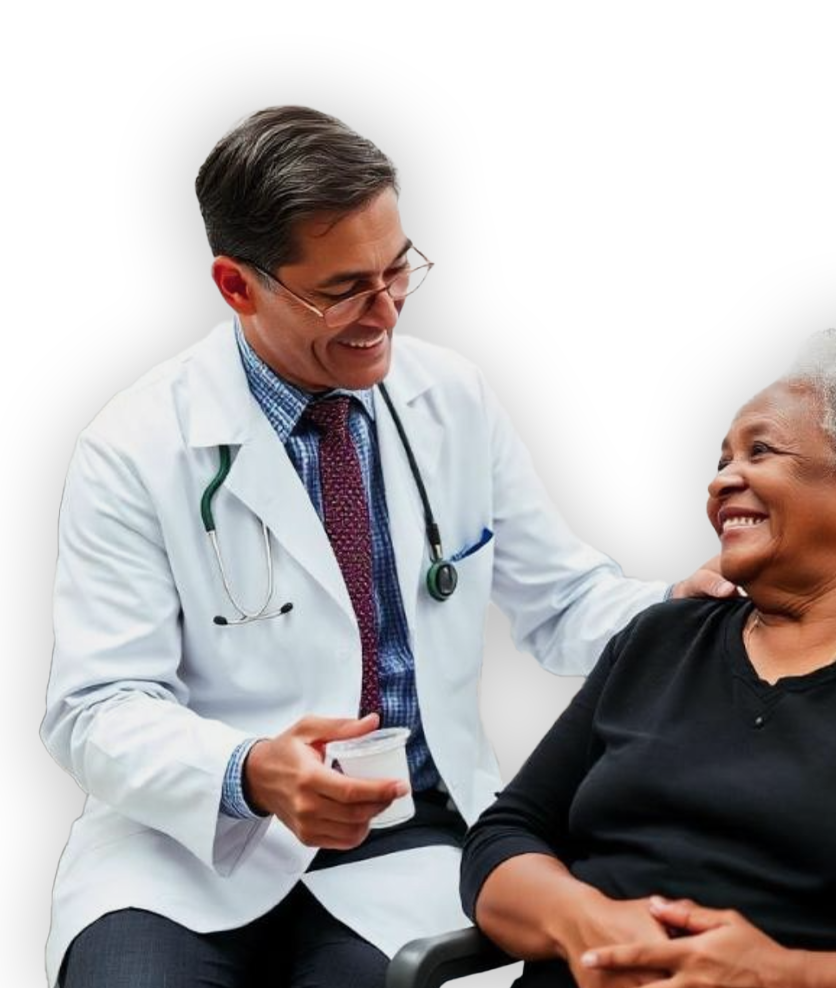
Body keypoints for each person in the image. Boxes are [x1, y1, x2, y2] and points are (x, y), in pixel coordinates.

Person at [40, 101, 730, 988]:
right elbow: (94, 708)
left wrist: (685, 603)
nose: (385, 312)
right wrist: (248, 771)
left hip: (408, 837)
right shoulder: (131, 444)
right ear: (235, 284)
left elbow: (562, 607)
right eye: (341, 290)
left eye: (399, 269)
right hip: (187, 846)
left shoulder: (453, 396)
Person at [460, 318, 836, 988]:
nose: (723, 482)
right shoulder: (661, 638)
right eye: (723, 459)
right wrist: (588, 925)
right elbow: (502, 841)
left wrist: (785, 975)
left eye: (762, 452)